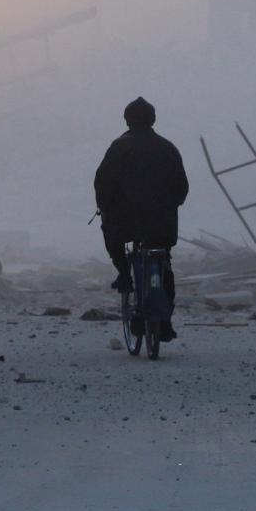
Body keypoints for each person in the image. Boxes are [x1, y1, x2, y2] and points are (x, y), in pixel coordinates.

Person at [94, 96, 189, 339]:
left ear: (127, 120)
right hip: (161, 224)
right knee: (163, 263)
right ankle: (164, 320)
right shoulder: (168, 148)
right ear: (153, 119)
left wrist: (104, 207)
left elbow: (103, 183)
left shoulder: (119, 147)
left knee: (113, 236)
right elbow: (181, 188)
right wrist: (169, 206)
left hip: (125, 222)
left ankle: (125, 275)